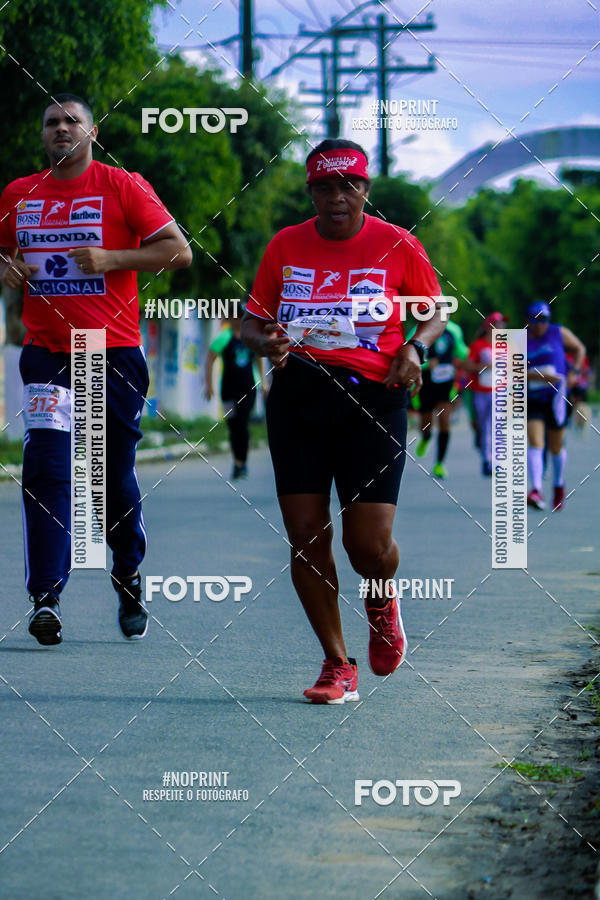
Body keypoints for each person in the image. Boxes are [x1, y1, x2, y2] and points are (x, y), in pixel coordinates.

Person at [241, 138, 446, 703]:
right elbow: (251, 322)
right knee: (306, 536)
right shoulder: (285, 246)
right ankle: (337, 664)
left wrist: (415, 349)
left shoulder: (398, 245)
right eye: (325, 187)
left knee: (368, 545)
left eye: (348, 185)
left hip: (373, 399)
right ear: (311, 193)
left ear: (365, 190)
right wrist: (269, 343)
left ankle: (381, 604)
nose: (337, 197)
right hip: (300, 396)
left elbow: (432, 314)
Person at [0, 93, 192, 645]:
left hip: (110, 353)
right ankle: (46, 598)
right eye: (51, 123)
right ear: (42, 135)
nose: (61, 129)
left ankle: (128, 571)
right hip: (48, 354)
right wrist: (8, 264)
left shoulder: (122, 186)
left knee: (106, 480)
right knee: (47, 468)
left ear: (92, 132)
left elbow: (178, 251)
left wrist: (113, 260)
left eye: (72, 121)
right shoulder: (19, 194)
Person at [526, 300, 586, 511]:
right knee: (535, 441)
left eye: (545, 320)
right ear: (529, 320)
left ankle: (558, 485)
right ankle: (536, 489)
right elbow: (511, 373)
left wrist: (574, 372)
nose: (541, 324)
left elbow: (579, 348)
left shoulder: (558, 333)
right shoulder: (519, 340)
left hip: (557, 399)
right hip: (532, 398)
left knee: (555, 447)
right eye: (537, 320)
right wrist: (537, 377)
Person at [205, 312, 267, 479]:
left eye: (239, 318)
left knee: (243, 423)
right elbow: (210, 359)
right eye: (232, 318)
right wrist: (209, 385)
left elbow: (259, 358)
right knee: (233, 425)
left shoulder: (250, 337)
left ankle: (242, 463)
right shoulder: (224, 337)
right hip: (228, 391)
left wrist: (264, 382)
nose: (236, 321)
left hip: (249, 389)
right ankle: (237, 460)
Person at [414, 320, 469, 478]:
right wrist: (425, 364)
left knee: (445, 422)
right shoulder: (420, 327)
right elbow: (408, 350)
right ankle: (426, 437)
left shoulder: (453, 329)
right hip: (425, 383)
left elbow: (462, 351)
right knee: (426, 424)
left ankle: (439, 464)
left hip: (446, 385)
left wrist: (464, 359)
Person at [461, 312, 509, 477]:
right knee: (483, 425)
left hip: (500, 391)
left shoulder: (506, 346)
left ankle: (493, 461)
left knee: (495, 425)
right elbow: (466, 365)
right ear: (490, 326)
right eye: (499, 324)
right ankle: (485, 456)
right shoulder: (478, 345)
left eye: (503, 324)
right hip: (480, 391)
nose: (502, 327)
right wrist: (483, 366)